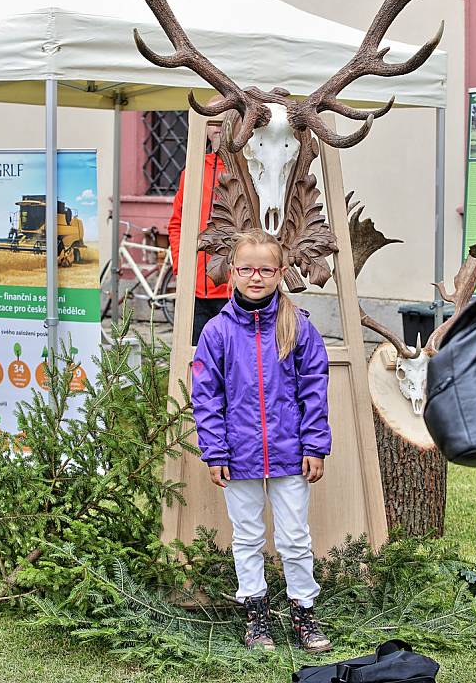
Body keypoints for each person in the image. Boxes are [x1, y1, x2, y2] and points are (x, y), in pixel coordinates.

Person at [191, 228, 332, 653]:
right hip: (238, 456)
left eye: (266, 269)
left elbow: (314, 388)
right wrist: (215, 450)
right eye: (247, 269)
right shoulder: (216, 333)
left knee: (294, 537)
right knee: (248, 536)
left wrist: (314, 444)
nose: (256, 277)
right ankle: (256, 616)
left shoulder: (299, 326)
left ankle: (304, 613)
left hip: (291, 454)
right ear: (232, 272)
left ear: (280, 271)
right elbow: (206, 396)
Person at [168, 105, 229, 345]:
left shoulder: (252, 170)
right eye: (213, 121)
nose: (219, 128)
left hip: (235, 290)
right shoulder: (192, 170)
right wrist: (181, 267)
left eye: (225, 120)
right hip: (195, 290)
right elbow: (177, 223)